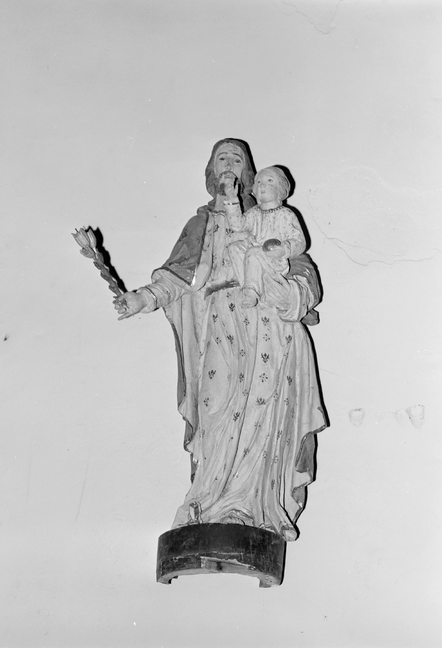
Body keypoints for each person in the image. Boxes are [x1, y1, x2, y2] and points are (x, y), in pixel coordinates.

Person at [114, 139, 327, 541]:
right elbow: (178, 276)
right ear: (211, 171)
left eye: (237, 159)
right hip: (219, 320)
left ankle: (255, 509)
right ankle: (207, 503)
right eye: (221, 158)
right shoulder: (201, 224)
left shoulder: (267, 217)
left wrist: (292, 295)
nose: (229, 164)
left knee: (262, 412)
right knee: (215, 409)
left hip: (267, 322)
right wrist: (143, 298)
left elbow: (302, 269)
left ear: (249, 173)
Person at [222, 166, 306, 308]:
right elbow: (237, 226)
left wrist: (284, 249)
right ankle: (248, 287)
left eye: (269, 181)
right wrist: (232, 199)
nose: (262, 185)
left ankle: (252, 292)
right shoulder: (254, 212)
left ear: (280, 189)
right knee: (234, 248)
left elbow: (299, 241)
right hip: (254, 251)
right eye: (259, 182)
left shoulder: (286, 214)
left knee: (253, 252)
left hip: (274, 259)